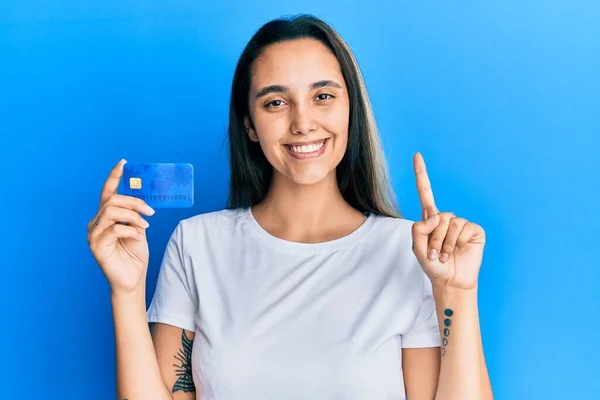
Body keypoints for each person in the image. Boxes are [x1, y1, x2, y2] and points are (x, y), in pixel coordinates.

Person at [87, 14, 493, 400]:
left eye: (323, 96)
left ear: (350, 108)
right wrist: (126, 291)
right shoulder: (197, 244)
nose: (303, 122)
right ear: (249, 124)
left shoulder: (412, 252)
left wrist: (456, 289)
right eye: (276, 103)